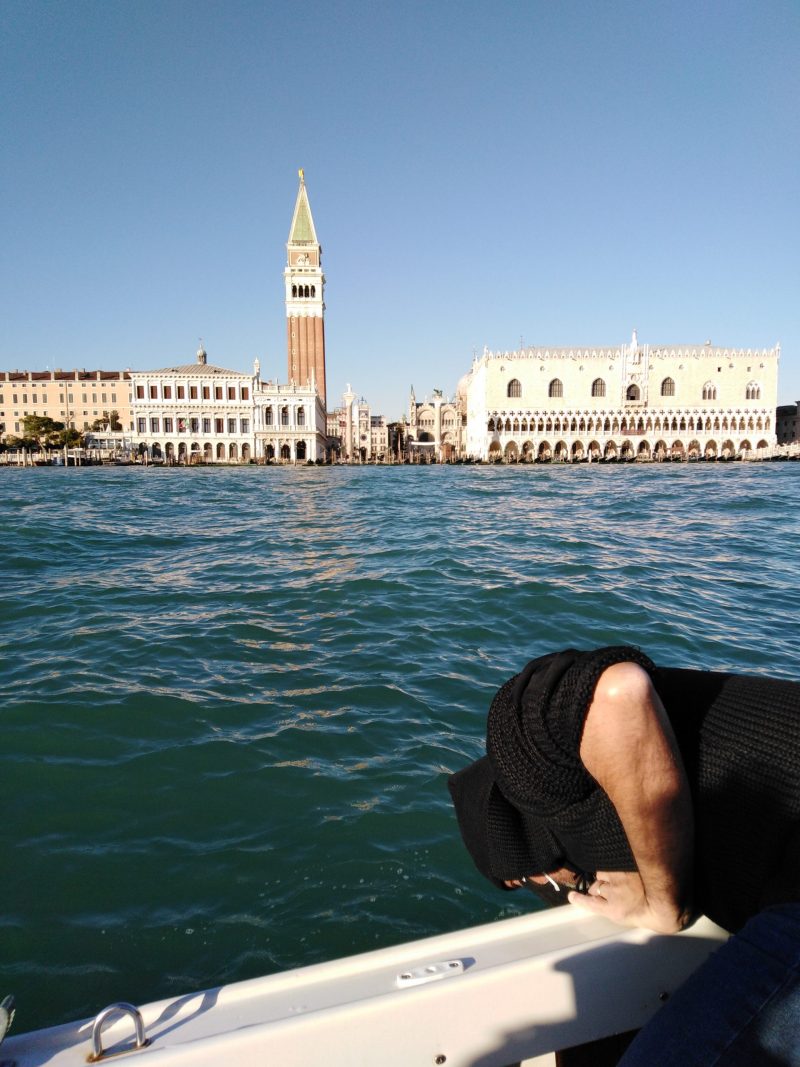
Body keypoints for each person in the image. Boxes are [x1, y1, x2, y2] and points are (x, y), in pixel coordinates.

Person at [448, 646, 800, 1065]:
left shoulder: (519, 758)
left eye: (546, 884)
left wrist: (659, 897)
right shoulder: (606, 797)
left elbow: (617, 691)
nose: (565, 888)